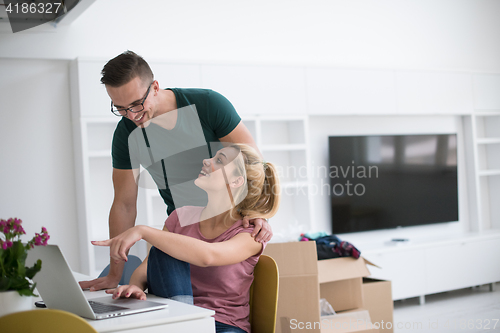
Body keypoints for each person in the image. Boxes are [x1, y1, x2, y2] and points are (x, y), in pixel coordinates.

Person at [79, 51, 273, 292]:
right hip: (180, 231)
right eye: (120, 108)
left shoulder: (208, 105)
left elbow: (253, 163)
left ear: (156, 87)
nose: (132, 116)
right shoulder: (127, 134)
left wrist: (258, 213)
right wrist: (115, 274)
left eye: (137, 104)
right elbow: (124, 204)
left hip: (226, 228)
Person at [93, 144, 280, 333]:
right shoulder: (180, 217)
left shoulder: (250, 234)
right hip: (176, 317)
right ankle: (184, 325)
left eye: (219, 160)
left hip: (222, 324)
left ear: (236, 181)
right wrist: (134, 287)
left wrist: (143, 231)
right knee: (161, 250)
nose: (206, 161)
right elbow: (147, 268)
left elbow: (208, 256)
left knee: (165, 245)